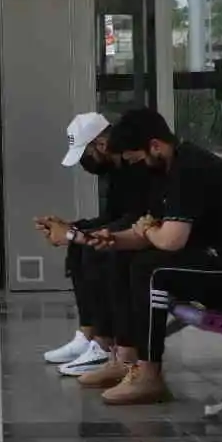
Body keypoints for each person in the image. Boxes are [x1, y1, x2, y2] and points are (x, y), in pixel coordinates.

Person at [76, 108, 222, 405]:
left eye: (137, 159)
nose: (136, 167)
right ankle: (125, 360)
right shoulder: (170, 168)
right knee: (123, 257)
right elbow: (150, 232)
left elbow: (171, 240)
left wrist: (148, 231)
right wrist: (111, 240)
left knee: (151, 270)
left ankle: (149, 375)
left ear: (154, 146)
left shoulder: (190, 170)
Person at [35, 112, 157, 377]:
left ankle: (104, 343)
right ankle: (88, 334)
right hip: (134, 228)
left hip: (147, 234)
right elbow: (113, 216)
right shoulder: (116, 172)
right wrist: (73, 226)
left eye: (86, 155)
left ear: (100, 143)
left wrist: (80, 232)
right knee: (81, 244)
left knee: (98, 249)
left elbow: (136, 216)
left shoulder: (136, 167)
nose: (86, 163)